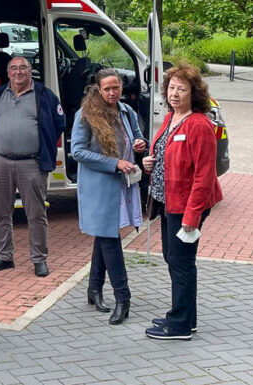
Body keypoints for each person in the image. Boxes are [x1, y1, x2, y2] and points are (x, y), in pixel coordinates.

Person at [142, 63, 223, 340]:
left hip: (187, 204)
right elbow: (168, 153)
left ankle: (179, 325)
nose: (174, 94)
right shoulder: (171, 117)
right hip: (168, 201)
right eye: (171, 88)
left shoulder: (199, 124)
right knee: (173, 258)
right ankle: (187, 317)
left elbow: (204, 176)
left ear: (194, 93)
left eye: (182, 89)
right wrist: (150, 162)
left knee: (181, 261)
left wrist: (192, 217)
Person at [71, 68, 147, 325]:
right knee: (109, 238)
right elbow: (77, 151)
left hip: (122, 184)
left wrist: (140, 143)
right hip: (99, 186)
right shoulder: (85, 114)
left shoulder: (126, 111)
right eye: (107, 89)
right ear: (98, 89)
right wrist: (114, 163)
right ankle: (123, 298)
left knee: (105, 235)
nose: (112, 93)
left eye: (116, 88)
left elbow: (138, 136)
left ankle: (94, 289)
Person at [0, 56, 65, 277]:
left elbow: (59, 123)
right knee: (0, 212)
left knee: (36, 214)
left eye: (23, 68)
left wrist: (43, 144)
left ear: (30, 71)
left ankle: (39, 259)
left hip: (32, 163)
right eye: (13, 68)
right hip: (1, 162)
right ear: (8, 72)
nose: (18, 72)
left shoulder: (44, 95)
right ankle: (4, 257)